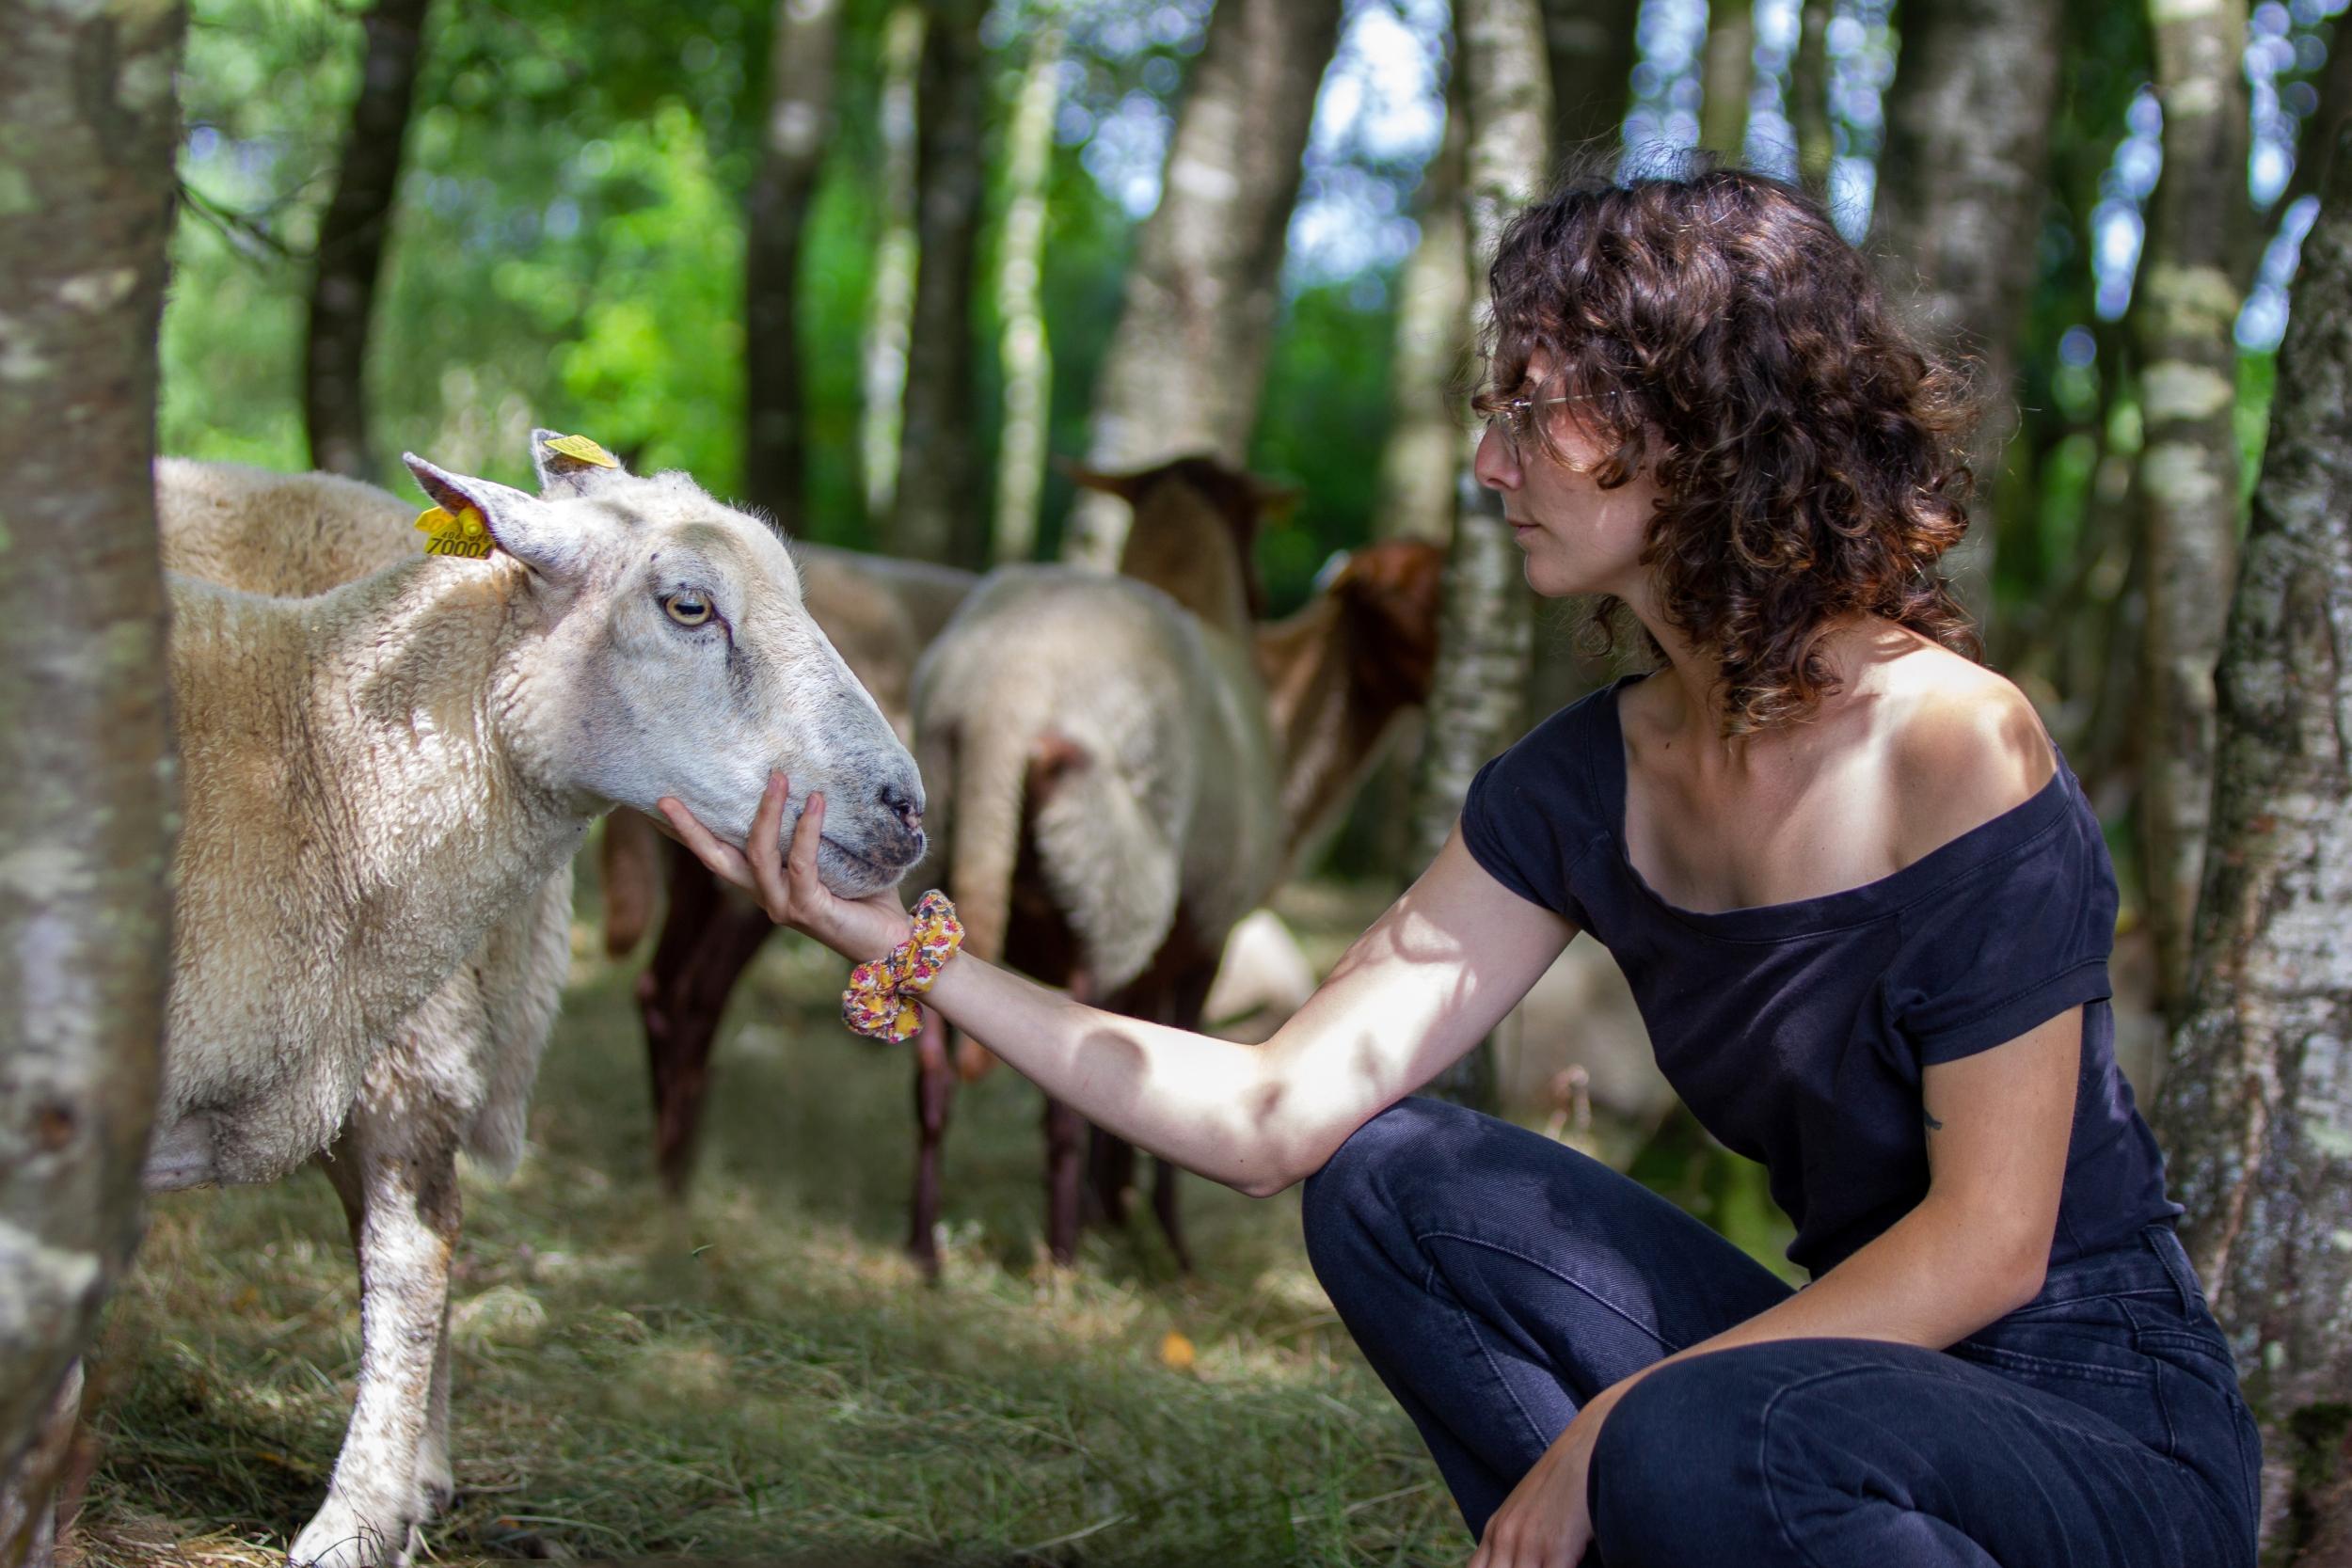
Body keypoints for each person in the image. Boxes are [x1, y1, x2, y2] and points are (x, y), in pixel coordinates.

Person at [660, 167, 2260, 1567]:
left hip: (2091, 1426)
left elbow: (1992, 1243)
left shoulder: (1953, 746)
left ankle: (1658, 1479)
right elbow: (1271, 1115)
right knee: (1391, 1180)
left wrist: (1621, 1418)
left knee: (1692, 1444)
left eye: (1528, 409)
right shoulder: (1580, 782)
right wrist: (895, 942)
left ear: (1691, 423)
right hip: (1819, 1399)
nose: (1490, 464)